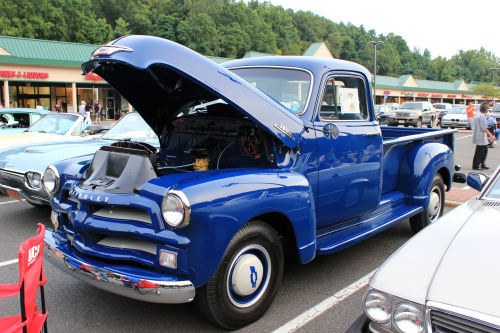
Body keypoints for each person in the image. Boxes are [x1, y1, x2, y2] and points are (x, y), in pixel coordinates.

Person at [472, 102, 496, 170]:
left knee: (484, 150)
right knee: (480, 151)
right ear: (486, 109)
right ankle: (476, 165)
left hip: (479, 135)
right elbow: (484, 128)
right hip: (480, 136)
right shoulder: (482, 117)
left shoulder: (477, 115)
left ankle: (482, 163)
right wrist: (491, 136)